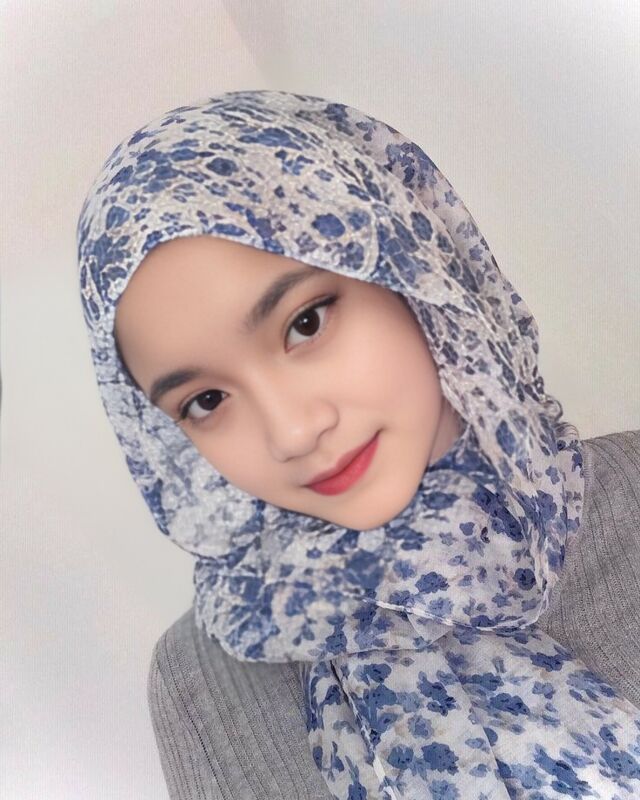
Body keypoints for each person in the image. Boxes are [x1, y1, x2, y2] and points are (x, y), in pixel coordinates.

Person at [77, 89, 640, 799]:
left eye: (306, 323)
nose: (292, 432)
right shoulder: (201, 681)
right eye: (206, 401)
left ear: (411, 267)